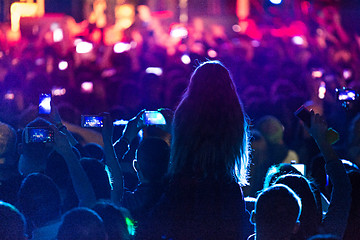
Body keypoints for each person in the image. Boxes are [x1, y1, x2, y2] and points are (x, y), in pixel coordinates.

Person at [138, 61, 252, 239]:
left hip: (185, 186)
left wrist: (172, 129)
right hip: (224, 189)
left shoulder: (185, 112)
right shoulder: (235, 114)